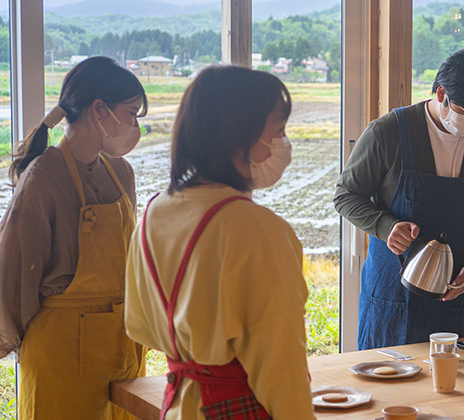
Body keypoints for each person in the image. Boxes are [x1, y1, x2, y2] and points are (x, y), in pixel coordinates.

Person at [125, 66, 314, 419]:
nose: (283, 144)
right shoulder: (259, 230)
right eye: (278, 131)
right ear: (239, 136)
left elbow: (138, 325)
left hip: (180, 404)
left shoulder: (152, 215)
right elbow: (282, 369)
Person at [335, 46, 464, 350]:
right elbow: (346, 195)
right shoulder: (388, 132)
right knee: (389, 390)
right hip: (392, 295)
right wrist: (385, 226)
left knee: (455, 393)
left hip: (458, 299)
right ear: (441, 94)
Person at [0, 57, 147, 420]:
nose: (136, 125)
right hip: (60, 359)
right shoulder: (43, 177)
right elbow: (12, 276)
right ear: (100, 110)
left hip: (123, 350)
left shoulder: (121, 172)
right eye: (131, 113)